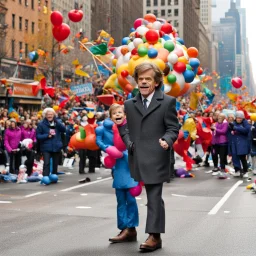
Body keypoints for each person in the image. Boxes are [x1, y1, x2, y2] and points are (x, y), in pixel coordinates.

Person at [118, 63, 179, 252]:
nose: (144, 82)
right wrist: (128, 142)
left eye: (148, 79)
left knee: (153, 196)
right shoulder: (129, 104)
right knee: (124, 193)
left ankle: (154, 236)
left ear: (156, 82)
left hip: (157, 156)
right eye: (141, 79)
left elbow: (173, 128)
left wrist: (167, 140)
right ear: (136, 81)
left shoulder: (167, 102)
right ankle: (129, 230)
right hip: (136, 157)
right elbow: (124, 127)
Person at [96, 103, 139, 243]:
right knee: (120, 199)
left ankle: (131, 228)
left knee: (131, 198)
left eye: (120, 112)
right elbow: (99, 141)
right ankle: (123, 229)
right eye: (114, 113)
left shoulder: (131, 127)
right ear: (111, 116)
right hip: (117, 165)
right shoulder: (105, 129)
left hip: (130, 163)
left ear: (124, 114)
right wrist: (107, 148)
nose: (118, 115)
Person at [36, 108, 66, 180]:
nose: (50, 116)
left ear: (54, 115)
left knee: (55, 164)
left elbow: (64, 129)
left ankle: (54, 177)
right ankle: (45, 177)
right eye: (48, 114)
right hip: (46, 147)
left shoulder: (57, 123)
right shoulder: (41, 124)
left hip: (56, 146)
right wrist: (47, 135)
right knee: (46, 163)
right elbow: (38, 136)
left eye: (51, 114)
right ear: (45, 115)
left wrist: (57, 122)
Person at [229, 111, 251, 178]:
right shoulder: (233, 123)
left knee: (242, 157)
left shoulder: (245, 123)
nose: (239, 119)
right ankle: (237, 170)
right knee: (235, 157)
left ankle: (245, 171)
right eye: (238, 118)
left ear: (242, 118)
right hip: (234, 143)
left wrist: (235, 128)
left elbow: (246, 130)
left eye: (240, 118)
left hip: (242, 143)